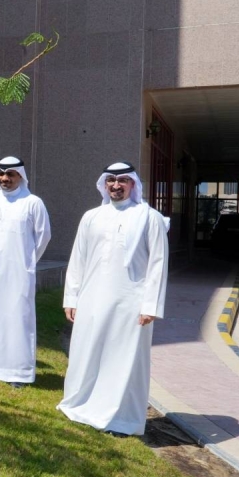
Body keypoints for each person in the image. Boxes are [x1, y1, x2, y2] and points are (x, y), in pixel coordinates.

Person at [57, 162, 169, 437]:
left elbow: (158, 264)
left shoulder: (149, 218)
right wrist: (71, 297)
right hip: (91, 300)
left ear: (133, 184)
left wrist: (150, 305)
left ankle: (121, 420)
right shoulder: (91, 217)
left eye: (122, 180)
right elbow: (78, 259)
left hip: (131, 304)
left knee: (123, 361)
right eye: (111, 180)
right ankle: (81, 407)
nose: (116, 185)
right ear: (104, 184)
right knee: (87, 353)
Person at [0, 156, 51, 387]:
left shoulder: (33, 203)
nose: (4, 178)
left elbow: (43, 236)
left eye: (10, 174)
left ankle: (18, 372)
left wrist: (26, 260)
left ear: (20, 176)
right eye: (1, 174)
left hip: (19, 271)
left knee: (18, 317)